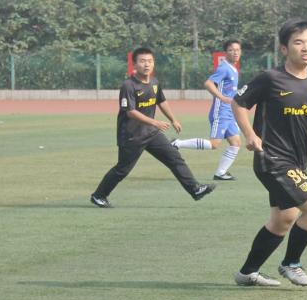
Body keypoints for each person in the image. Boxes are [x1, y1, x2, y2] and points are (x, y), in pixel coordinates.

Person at [230, 18, 307, 287]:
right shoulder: (271, 78)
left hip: (297, 162)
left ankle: (247, 272)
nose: (306, 48)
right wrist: (250, 134)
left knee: (284, 218)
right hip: (272, 159)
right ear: (284, 49)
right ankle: (291, 264)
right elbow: (238, 103)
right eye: (299, 42)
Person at [90, 47, 215, 208]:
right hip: (132, 135)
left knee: (174, 158)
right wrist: (155, 122)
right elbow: (130, 112)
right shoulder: (128, 85)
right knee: (122, 169)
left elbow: (161, 101)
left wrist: (173, 119)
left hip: (151, 133)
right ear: (134, 64)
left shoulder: (154, 82)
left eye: (149, 61)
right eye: (142, 61)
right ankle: (99, 196)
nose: (146, 64)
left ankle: (195, 189)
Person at [170, 39, 244, 180]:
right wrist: (221, 97)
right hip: (221, 111)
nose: (235, 53)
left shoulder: (233, 69)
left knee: (236, 143)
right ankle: (177, 143)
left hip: (229, 112)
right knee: (214, 144)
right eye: (231, 50)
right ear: (226, 52)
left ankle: (220, 173)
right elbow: (208, 83)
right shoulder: (224, 68)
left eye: (237, 50)